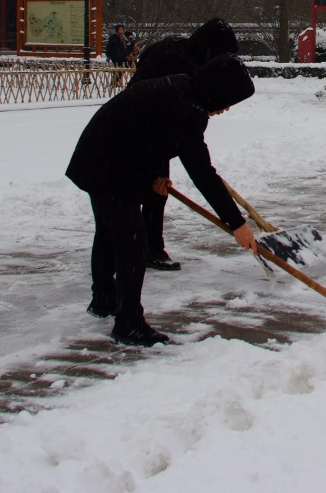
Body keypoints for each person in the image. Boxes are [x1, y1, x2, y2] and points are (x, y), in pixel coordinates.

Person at [65, 54, 257, 346]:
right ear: (218, 89)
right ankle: (128, 323)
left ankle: (104, 300)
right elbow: (202, 173)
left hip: (100, 158)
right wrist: (237, 223)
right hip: (108, 166)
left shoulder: (181, 88)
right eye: (229, 99)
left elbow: (148, 132)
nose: (227, 108)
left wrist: (153, 175)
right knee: (133, 245)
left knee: (109, 233)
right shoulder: (188, 108)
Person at [130, 18, 240, 270]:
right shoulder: (183, 64)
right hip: (142, 127)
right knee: (143, 192)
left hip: (151, 126)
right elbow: (196, 160)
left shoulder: (178, 46)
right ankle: (142, 248)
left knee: (152, 191)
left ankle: (141, 246)